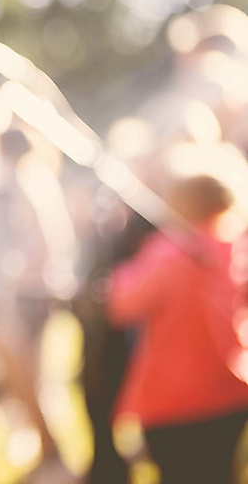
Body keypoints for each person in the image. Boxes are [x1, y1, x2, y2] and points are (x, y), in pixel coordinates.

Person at [108, 174, 248, 483]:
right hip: (231, 390)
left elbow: (121, 303)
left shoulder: (169, 254)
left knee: (178, 472)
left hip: (175, 401)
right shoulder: (235, 246)